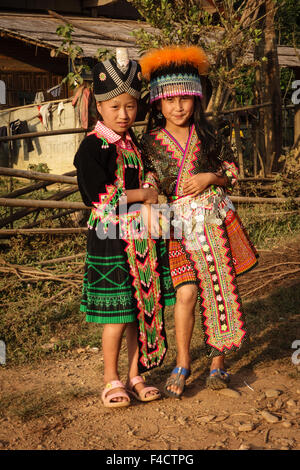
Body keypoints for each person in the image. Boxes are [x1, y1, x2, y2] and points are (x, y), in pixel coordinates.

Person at [139, 46, 258, 397]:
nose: (178, 107)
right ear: (158, 103)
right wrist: (148, 198)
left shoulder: (209, 136)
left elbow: (234, 172)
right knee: (187, 293)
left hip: (212, 221)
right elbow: (149, 180)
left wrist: (211, 177)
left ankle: (219, 362)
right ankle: (184, 361)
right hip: (177, 227)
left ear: (196, 99)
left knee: (218, 289)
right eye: (170, 100)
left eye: (185, 98)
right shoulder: (149, 143)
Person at [74, 48, 175, 408]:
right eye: (115, 107)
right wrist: (145, 196)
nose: (123, 114)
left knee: (138, 310)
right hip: (110, 241)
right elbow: (100, 198)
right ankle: (109, 379)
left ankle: (135, 375)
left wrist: (148, 190)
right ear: (99, 106)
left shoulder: (133, 145)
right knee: (116, 314)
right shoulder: (92, 147)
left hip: (141, 241)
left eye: (130, 106)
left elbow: (147, 174)